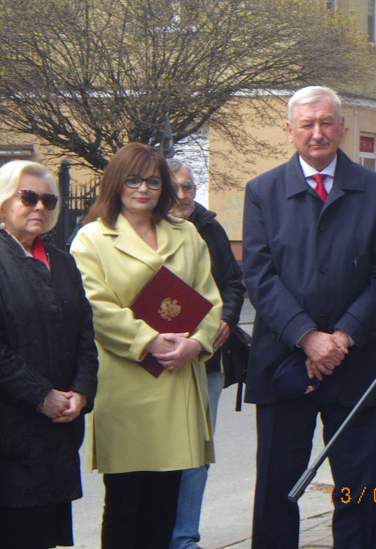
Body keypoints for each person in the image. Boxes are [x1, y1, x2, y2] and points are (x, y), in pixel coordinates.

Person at [242, 86, 376, 548]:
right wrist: (307, 337)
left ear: (343, 128)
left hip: (356, 367)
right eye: (308, 124)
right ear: (289, 130)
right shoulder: (263, 191)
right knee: (277, 489)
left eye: (327, 122)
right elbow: (259, 275)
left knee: (359, 491)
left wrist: (343, 336)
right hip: (283, 365)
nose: (318, 133)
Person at [70, 143, 222, 549]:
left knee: (164, 506)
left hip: (177, 378)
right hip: (127, 383)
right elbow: (95, 307)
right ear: (116, 183)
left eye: (153, 181)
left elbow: (210, 298)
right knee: (124, 506)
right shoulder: (92, 239)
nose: (143, 189)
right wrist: (148, 339)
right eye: (134, 180)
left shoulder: (186, 234)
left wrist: (198, 343)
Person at [0, 160, 99, 549]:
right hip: (2, 441)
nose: (40, 206)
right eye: (28, 197)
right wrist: (42, 396)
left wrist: (81, 392)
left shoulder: (65, 262)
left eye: (48, 199)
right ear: (2, 204)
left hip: (56, 438)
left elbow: (86, 334)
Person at [167, 160, 246, 549]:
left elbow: (233, 282)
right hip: (156, 359)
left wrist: (227, 318)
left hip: (207, 358)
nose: (184, 195)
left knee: (197, 451)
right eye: (176, 187)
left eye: (190, 186)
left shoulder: (209, 227)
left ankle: (184, 538)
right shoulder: (141, 231)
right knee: (157, 453)